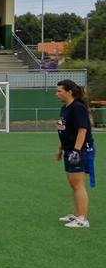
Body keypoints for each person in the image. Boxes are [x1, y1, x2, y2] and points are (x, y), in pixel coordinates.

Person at [55, 79, 96, 228]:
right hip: (69, 150)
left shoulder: (77, 108)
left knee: (78, 184)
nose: (57, 93)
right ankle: (77, 214)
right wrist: (60, 148)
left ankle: (82, 219)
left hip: (80, 150)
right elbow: (65, 130)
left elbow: (82, 130)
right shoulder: (65, 108)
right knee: (74, 184)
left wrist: (76, 151)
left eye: (59, 91)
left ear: (69, 92)